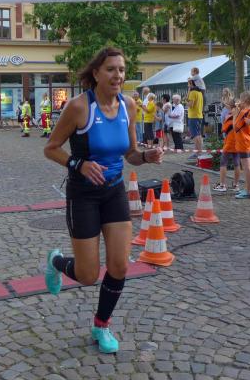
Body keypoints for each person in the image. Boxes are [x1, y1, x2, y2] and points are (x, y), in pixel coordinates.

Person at [42, 47, 163, 354]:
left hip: (114, 191)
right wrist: (79, 164)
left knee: (119, 266)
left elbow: (130, 153)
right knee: (87, 275)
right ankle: (56, 262)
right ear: (96, 74)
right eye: (110, 69)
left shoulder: (129, 106)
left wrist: (146, 157)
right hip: (83, 195)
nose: (117, 75)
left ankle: (101, 325)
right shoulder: (79, 107)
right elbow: (51, 148)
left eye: (121, 69)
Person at [233, 91, 250, 199]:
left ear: (244, 100)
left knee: (246, 167)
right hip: (248, 140)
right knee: (249, 166)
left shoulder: (244, 112)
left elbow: (235, 127)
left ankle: (249, 190)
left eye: (241, 99)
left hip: (243, 141)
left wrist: (235, 114)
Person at [214, 101, 236, 192]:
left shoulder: (230, 116)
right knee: (237, 163)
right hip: (237, 142)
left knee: (223, 162)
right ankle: (236, 185)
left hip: (230, 141)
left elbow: (224, 128)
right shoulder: (240, 116)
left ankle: (222, 184)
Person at [186, 78, 204, 160]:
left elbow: (190, 104)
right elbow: (188, 99)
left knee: (195, 135)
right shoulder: (199, 92)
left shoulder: (193, 93)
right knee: (198, 135)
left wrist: (185, 102)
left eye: (189, 83)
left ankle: (197, 153)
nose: (188, 85)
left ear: (192, 83)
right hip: (198, 115)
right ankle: (199, 152)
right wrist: (189, 90)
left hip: (193, 116)